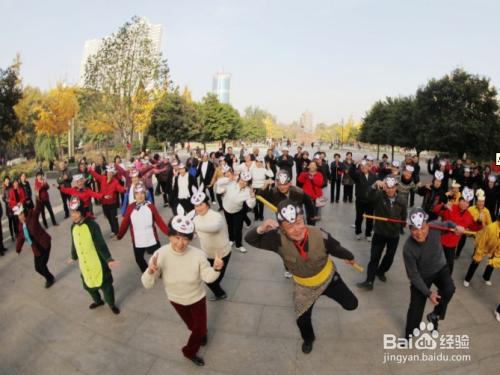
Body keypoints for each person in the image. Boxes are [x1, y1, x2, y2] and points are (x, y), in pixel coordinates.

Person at [245, 200, 358, 354]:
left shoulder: (321, 235)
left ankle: (330, 293)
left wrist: (349, 256)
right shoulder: (276, 239)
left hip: (328, 279)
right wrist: (261, 228)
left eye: (299, 222)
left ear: (303, 219)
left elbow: (336, 248)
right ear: (282, 228)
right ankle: (308, 339)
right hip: (304, 287)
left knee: (352, 304)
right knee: (302, 320)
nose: (297, 229)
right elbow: (250, 239)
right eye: (290, 226)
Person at [141, 206, 224, 366]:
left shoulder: (198, 254)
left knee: (198, 329)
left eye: (185, 238)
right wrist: (151, 272)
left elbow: (209, 277)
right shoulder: (161, 254)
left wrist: (216, 268)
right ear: (170, 236)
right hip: (176, 300)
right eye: (177, 237)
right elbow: (147, 284)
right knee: (193, 327)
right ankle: (201, 334)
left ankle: (189, 351)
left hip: (197, 298)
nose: (180, 243)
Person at [403, 207, 462, 338]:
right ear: (410, 229)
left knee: (449, 289)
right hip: (421, 275)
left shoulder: (436, 227)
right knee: (415, 309)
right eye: (414, 229)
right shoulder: (408, 248)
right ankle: (409, 333)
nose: (419, 233)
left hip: (440, 268)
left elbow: (448, 224)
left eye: (423, 228)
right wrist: (429, 293)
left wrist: (456, 227)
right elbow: (413, 275)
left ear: (428, 225)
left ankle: (435, 315)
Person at [67, 196, 120, 315]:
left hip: (98, 263)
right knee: (88, 286)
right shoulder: (73, 227)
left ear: (82, 212)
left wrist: (108, 259)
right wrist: (73, 256)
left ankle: (111, 304)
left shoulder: (92, 225)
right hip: (85, 266)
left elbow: (101, 244)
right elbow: (74, 243)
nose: (74, 215)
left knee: (106, 286)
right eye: (72, 212)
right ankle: (98, 301)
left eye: (76, 212)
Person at [357, 176, 407, 291]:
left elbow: (404, 215)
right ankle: (369, 281)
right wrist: (374, 186)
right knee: (374, 257)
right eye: (388, 187)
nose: (390, 190)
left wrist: (403, 224)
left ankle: (381, 271)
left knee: (389, 257)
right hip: (380, 232)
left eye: (392, 187)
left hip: (393, 234)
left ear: (396, 187)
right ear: (384, 187)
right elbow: (367, 196)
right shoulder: (379, 196)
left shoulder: (402, 200)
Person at [115, 182, 169, 272]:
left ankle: (160, 272)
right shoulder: (130, 208)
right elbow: (125, 223)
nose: (140, 196)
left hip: (151, 238)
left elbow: (160, 222)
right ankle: (147, 272)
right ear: (134, 195)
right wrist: (119, 235)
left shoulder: (151, 207)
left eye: (142, 193)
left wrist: (169, 233)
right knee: (139, 259)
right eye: (137, 194)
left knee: (159, 258)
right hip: (138, 240)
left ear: (145, 194)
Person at [191, 186, 232, 300]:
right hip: (207, 254)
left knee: (212, 280)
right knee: (208, 278)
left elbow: (214, 227)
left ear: (207, 204)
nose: (199, 208)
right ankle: (219, 293)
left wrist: (194, 227)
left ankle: (220, 294)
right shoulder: (196, 219)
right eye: (196, 206)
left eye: (201, 204)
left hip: (222, 254)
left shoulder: (216, 216)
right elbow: (195, 234)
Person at [433, 187, 480, 274]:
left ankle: (445, 283)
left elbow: (475, 228)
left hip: (452, 245)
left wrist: (480, 222)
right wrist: (443, 206)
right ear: (459, 200)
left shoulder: (469, 216)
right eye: (463, 201)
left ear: (469, 204)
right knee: (434, 263)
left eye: (467, 202)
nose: (464, 204)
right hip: (440, 241)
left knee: (449, 266)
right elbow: (435, 210)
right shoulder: (451, 207)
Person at [14, 201, 55, 288]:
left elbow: (38, 208)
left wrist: (37, 198)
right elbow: (20, 238)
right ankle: (49, 276)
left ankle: (50, 279)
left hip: (44, 244)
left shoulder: (32, 217)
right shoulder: (21, 226)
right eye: (18, 215)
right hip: (36, 248)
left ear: (25, 212)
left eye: (21, 214)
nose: (20, 217)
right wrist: (18, 249)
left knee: (42, 265)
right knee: (37, 268)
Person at [217, 170, 256, 253]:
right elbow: (218, 183)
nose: (243, 183)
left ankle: (239, 245)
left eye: (246, 182)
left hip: (237, 211)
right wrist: (228, 179)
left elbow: (251, 205)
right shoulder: (231, 183)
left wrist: (252, 197)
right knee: (229, 225)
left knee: (238, 228)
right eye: (242, 180)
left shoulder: (248, 191)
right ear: (239, 179)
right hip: (226, 208)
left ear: (248, 183)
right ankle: (231, 240)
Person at [463, 209, 499, 287]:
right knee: (475, 262)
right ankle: (467, 279)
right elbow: (482, 241)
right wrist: (479, 253)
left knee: (492, 263)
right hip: (483, 245)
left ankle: (486, 277)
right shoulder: (490, 228)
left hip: (494, 247)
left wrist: (497, 255)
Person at [89, 165, 125, 235]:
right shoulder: (103, 178)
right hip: (104, 203)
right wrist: (90, 170)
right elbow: (96, 175)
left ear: (113, 174)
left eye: (111, 173)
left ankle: (117, 232)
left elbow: (120, 188)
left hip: (112, 203)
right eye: (108, 173)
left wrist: (124, 189)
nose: (109, 174)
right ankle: (113, 230)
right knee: (108, 217)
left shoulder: (115, 182)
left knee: (114, 218)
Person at [456, 188, 492, 258]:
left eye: (482, 201)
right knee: (462, 238)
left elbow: (490, 224)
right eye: (479, 201)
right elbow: (465, 219)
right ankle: (457, 253)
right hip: (469, 229)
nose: (481, 203)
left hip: (479, 231)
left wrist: (483, 225)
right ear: (476, 201)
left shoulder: (486, 211)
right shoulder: (471, 209)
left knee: (479, 241)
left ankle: (475, 254)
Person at [349, 159, 378, 241]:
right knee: (359, 217)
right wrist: (354, 164)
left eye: (366, 166)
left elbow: (377, 188)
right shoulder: (358, 175)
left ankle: (368, 234)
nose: (364, 167)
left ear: (369, 167)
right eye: (362, 166)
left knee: (370, 218)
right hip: (360, 200)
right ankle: (358, 232)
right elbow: (351, 173)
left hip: (370, 201)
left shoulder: (374, 176)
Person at [251, 156, 274, 221]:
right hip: (254, 188)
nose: (259, 163)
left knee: (261, 203)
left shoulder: (264, 170)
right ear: (255, 163)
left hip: (262, 188)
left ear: (262, 163)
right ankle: (256, 215)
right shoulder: (253, 170)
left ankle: (261, 216)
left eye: (260, 162)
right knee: (255, 203)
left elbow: (271, 175)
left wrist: (268, 167)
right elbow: (250, 178)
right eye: (257, 162)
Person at [2, 176, 16, 241]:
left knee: (15, 221)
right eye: (6, 180)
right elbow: (3, 198)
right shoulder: (4, 189)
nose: (7, 181)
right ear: (4, 181)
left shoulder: (11, 187)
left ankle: (16, 233)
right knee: (10, 222)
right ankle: (12, 235)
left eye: (8, 180)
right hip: (8, 208)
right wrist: (6, 200)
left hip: (13, 206)